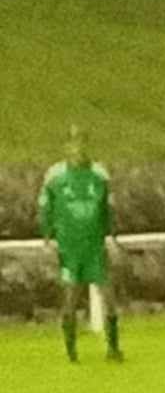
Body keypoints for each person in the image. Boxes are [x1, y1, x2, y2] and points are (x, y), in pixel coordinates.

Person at [38, 132, 123, 362]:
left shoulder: (99, 173)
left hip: (95, 246)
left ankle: (113, 348)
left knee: (109, 297)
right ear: (66, 147)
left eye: (82, 143)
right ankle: (71, 351)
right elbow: (45, 207)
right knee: (70, 298)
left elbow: (109, 208)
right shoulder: (55, 175)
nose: (78, 149)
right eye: (73, 143)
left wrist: (112, 237)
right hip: (70, 248)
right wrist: (47, 237)